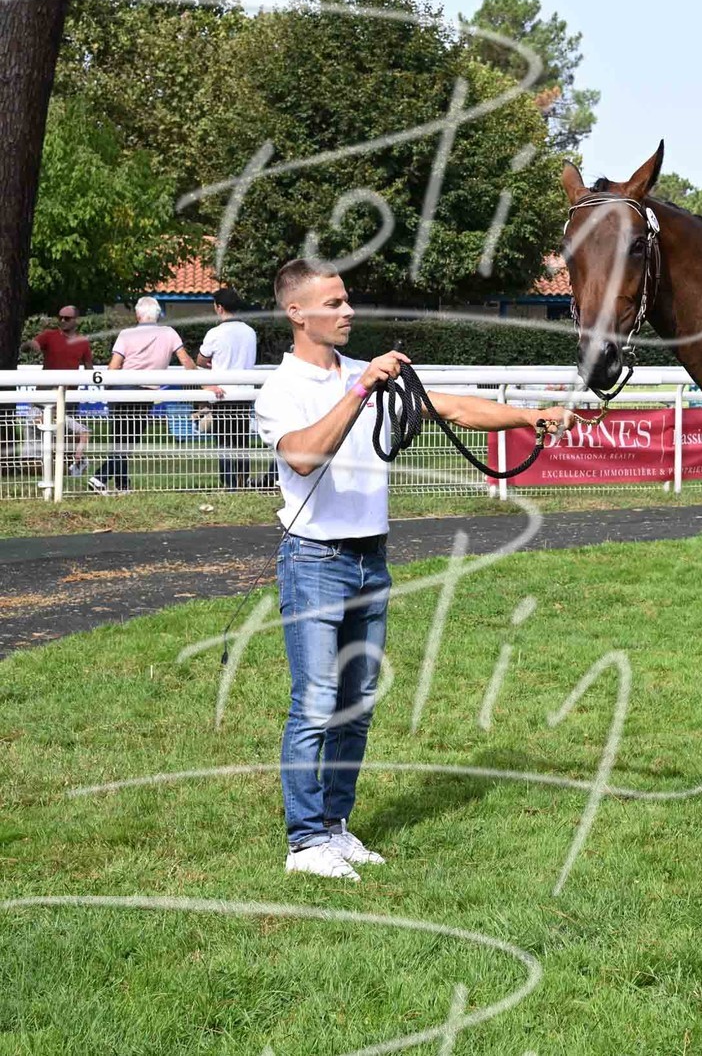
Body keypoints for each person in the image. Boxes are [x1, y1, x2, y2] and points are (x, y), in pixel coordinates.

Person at [255, 257, 577, 882]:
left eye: (346, 300)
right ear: (297, 312)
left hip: (369, 559)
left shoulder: (364, 373)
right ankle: (304, 843)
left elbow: (452, 409)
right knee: (315, 702)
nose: (348, 311)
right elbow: (302, 456)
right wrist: (358, 390)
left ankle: (334, 827)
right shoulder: (283, 389)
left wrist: (530, 417)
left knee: (356, 704)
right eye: (333, 303)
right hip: (313, 561)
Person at [89, 297, 195, 494]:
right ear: (158, 315)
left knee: (120, 440)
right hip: (145, 392)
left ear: (138, 315)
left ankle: (119, 484)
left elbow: (114, 366)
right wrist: (204, 381)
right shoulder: (169, 333)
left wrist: (108, 388)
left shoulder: (126, 334)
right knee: (128, 441)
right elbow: (186, 362)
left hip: (121, 389)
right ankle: (103, 479)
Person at [197, 287, 259, 490]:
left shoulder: (215, 333)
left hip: (222, 394)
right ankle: (243, 480)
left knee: (224, 440)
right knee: (241, 440)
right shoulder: (250, 332)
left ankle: (229, 482)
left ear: (219, 307)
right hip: (245, 392)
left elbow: (201, 360)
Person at [23, 305, 92, 474]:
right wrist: (30, 345)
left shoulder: (83, 342)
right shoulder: (49, 335)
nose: (62, 320)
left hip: (68, 398)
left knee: (68, 434)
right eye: (60, 317)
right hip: (43, 397)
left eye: (67, 318)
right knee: (35, 428)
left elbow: (89, 368)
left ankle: (73, 463)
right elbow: (32, 344)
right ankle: (37, 463)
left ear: (76, 320)